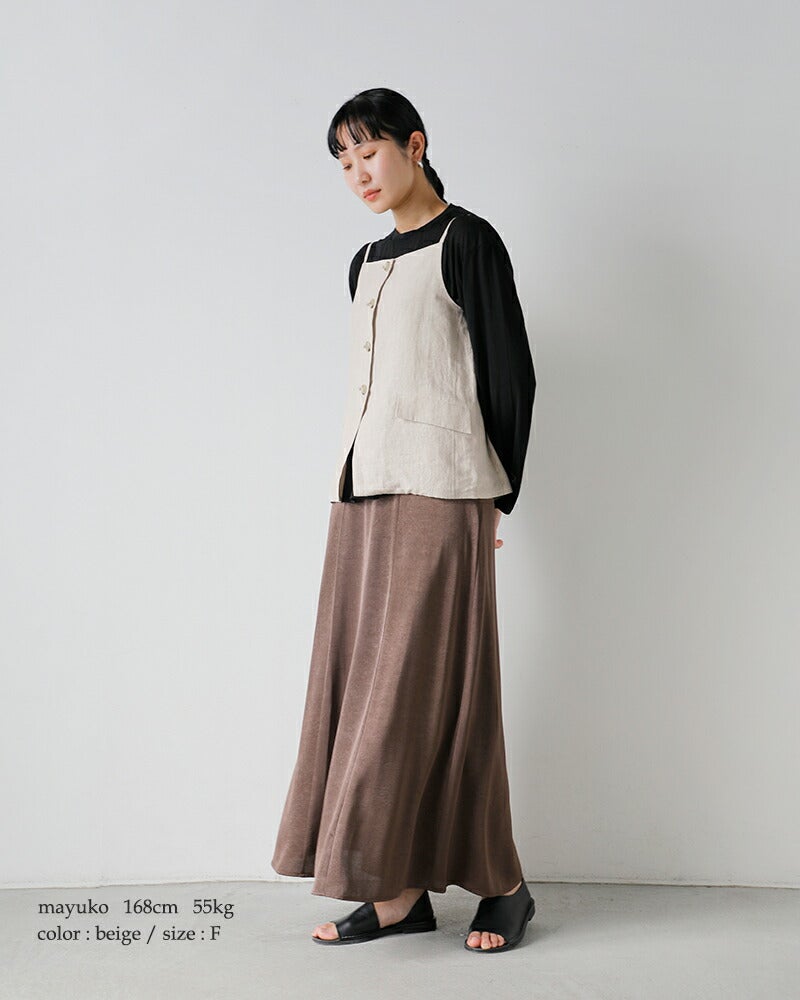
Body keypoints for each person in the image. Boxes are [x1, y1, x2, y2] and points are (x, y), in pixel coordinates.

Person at [271, 87, 537, 954]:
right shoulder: (364, 260)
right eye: (343, 162)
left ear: (415, 145)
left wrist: (494, 495)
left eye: (370, 152)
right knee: (365, 690)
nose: (358, 173)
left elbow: (510, 374)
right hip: (361, 493)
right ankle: (397, 894)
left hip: (442, 489)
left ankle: (503, 885)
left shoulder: (468, 241)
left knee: (432, 694)